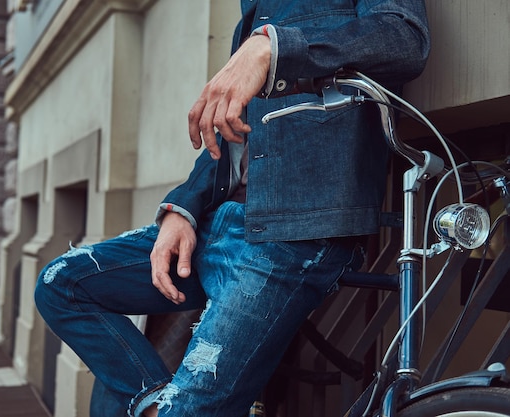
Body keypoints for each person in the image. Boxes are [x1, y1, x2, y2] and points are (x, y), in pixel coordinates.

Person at [34, 1, 431, 416]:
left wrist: (272, 48)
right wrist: (181, 209)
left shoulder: (265, 38)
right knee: (61, 284)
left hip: (289, 235)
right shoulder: (254, 12)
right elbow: (227, 144)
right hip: (213, 225)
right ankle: (156, 408)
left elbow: (405, 37)